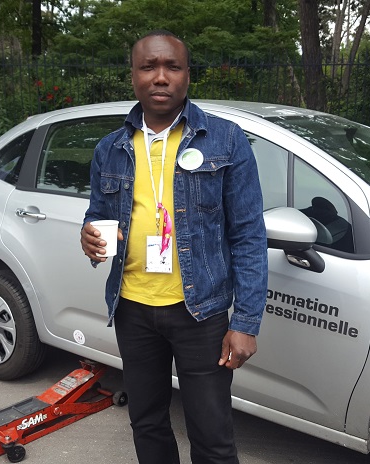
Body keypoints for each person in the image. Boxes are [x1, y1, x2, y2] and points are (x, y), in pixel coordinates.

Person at [80, 29, 268, 464]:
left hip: (199, 311)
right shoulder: (110, 148)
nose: (160, 77)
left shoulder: (225, 140)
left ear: (187, 75)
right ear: (133, 76)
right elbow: (97, 214)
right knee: (146, 423)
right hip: (131, 308)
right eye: (148, 67)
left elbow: (248, 234)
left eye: (172, 67)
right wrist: (89, 235)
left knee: (212, 433)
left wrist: (246, 322)